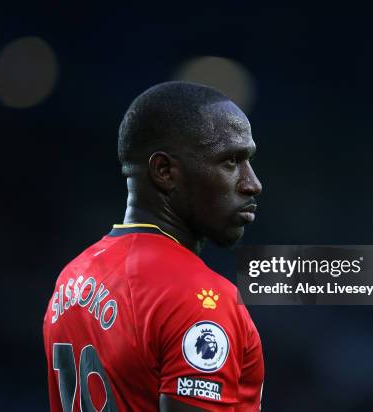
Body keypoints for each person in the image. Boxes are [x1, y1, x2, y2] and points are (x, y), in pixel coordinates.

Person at [43, 81, 264, 411]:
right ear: (164, 171)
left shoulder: (71, 280)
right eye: (231, 161)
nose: (252, 184)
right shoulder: (199, 297)